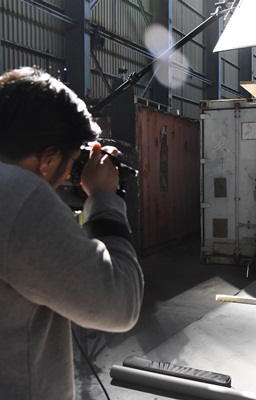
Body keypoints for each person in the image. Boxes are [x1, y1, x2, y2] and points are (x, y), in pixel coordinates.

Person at [0, 67, 144, 400]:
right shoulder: (20, 199)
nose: (69, 173)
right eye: (71, 161)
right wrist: (104, 198)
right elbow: (120, 305)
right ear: (47, 159)